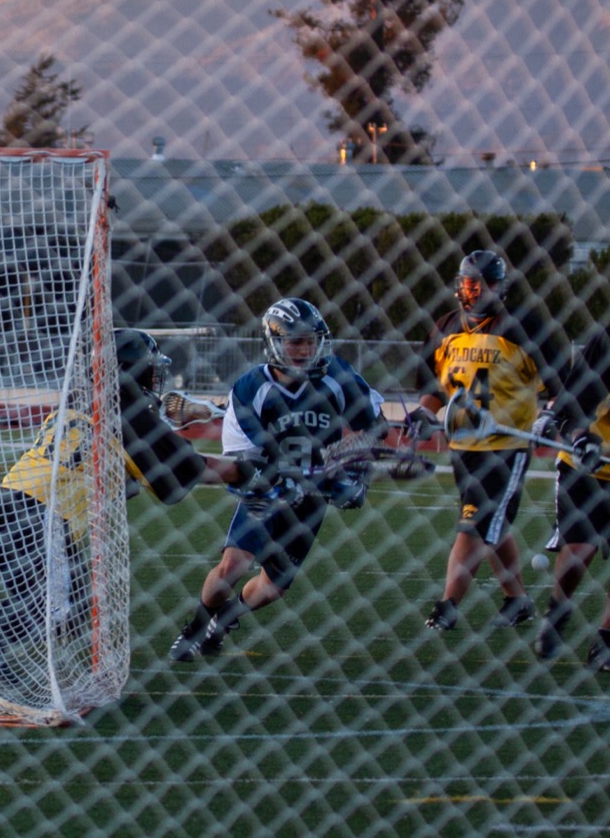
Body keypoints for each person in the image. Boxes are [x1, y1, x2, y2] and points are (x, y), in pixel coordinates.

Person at [0, 328, 242, 685]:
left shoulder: (85, 400)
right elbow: (184, 473)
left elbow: (122, 473)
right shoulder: (128, 415)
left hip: (13, 508)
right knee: (59, 609)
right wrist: (250, 467)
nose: (155, 378)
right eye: (149, 370)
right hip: (42, 517)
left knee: (75, 608)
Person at [169, 298, 386, 661]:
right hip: (265, 492)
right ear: (273, 342)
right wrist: (280, 480)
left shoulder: (338, 377)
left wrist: (352, 470)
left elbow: (374, 427)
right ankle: (194, 628)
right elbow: (244, 460)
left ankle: (224, 621)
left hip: (312, 496)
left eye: (309, 341)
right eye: (294, 341)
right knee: (233, 564)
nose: (303, 349)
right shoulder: (252, 387)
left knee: (274, 587)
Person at [413, 249, 569, 633]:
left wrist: (550, 413)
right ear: (460, 287)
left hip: (506, 447)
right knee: (491, 524)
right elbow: (434, 383)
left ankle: (447, 605)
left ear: (501, 286)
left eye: (487, 283)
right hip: (464, 446)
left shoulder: (524, 326)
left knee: (474, 523)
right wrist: (425, 412)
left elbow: (561, 384)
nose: (479, 290)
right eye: (471, 283)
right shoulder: (447, 327)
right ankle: (517, 600)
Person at [531, 324, 610, 669]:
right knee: (580, 548)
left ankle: (606, 640)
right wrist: (580, 436)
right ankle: (558, 609)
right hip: (589, 463)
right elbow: (576, 398)